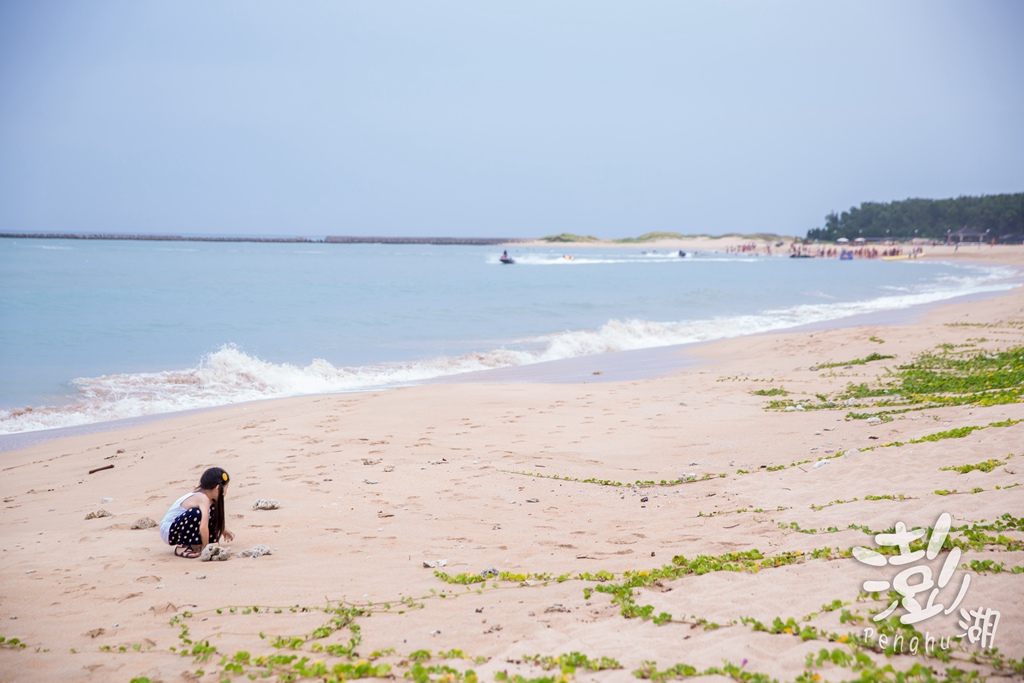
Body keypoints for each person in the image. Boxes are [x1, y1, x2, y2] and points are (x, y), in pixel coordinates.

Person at [160, 466, 235, 559]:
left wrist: (223, 529)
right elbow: (203, 527)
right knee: (196, 513)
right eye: (226, 488)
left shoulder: (210, 500)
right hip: (168, 530)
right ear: (217, 488)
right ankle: (181, 547)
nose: (226, 491)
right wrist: (206, 547)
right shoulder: (202, 498)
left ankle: (193, 544)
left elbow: (212, 518)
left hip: (178, 528)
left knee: (209, 513)